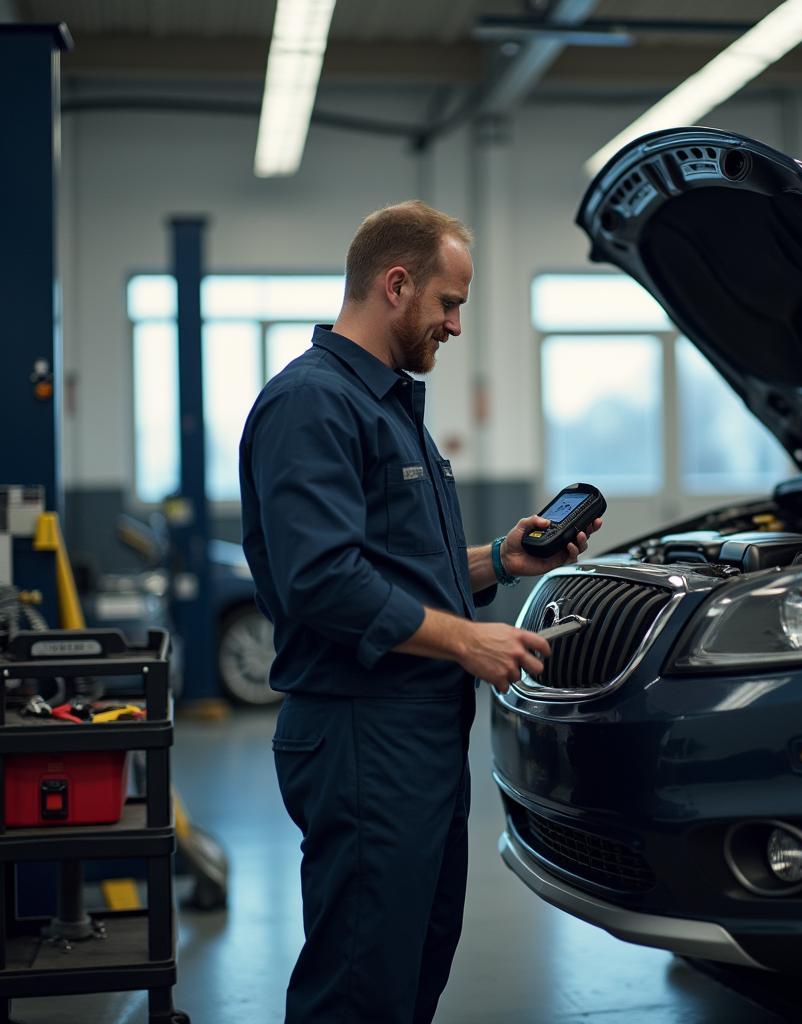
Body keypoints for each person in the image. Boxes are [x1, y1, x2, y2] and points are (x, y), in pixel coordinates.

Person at [238, 199, 602, 1024]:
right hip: (364, 732)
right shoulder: (312, 404)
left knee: (411, 966)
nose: (456, 325)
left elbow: (397, 567)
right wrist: (467, 640)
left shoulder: (386, 404)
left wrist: (501, 560)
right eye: (450, 303)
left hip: (417, 734)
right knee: (361, 983)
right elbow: (323, 579)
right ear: (396, 285)